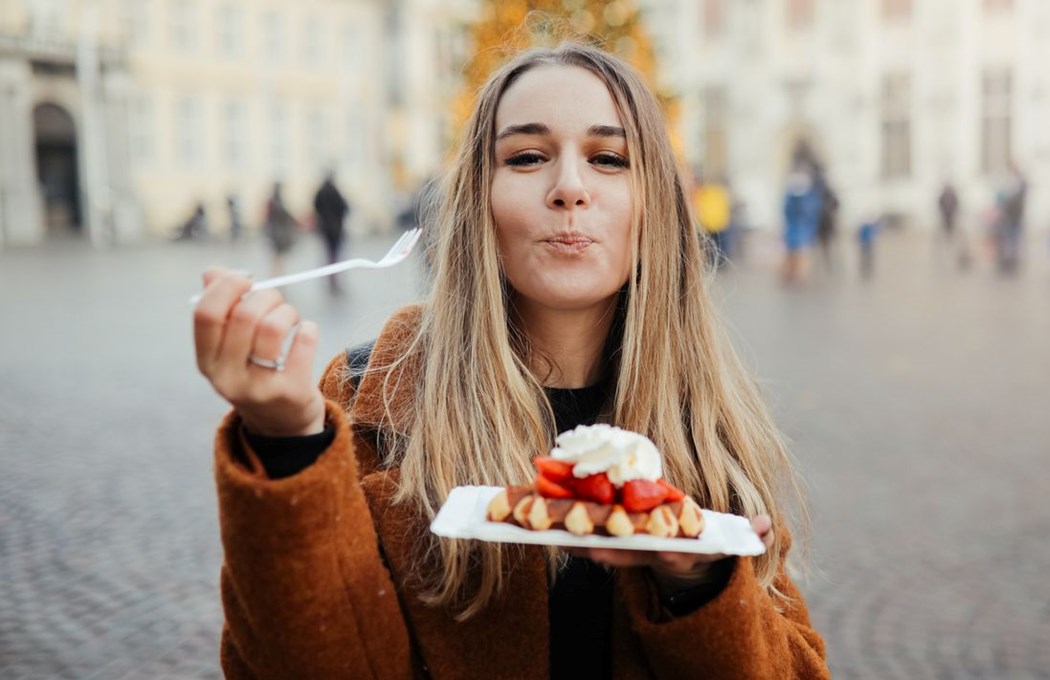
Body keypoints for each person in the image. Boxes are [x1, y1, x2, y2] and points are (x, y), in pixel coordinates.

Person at [193, 43, 827, 679]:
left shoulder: (706, 421)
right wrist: (287, 444)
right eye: (526, 157)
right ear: (480, 201)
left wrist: (698, 585)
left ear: (653, 204)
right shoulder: (371, 396)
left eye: (609, 159)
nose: (570, 189)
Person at [782, 166, 823, 283]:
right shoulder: (808, 196)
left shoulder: (805, 196)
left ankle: (796, 275)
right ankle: (794, 274)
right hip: (799, 230)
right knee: (796, 253)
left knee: (799, 254)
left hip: (800, 230)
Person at [313, 172, 350, 294]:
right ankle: (334, 279)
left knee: (328, 254)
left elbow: (315, 205)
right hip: (336, 228)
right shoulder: (335, 191)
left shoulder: (321, 191)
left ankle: (330, 277)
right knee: (335, 254)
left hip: (325, 228)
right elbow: (345, 207)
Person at [694, 174, 732, 268]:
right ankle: (720, 264)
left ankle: (716, 263)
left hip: (711, 224)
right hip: (716, 224)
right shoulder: (719, 193)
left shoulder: (706, 193)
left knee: (713, 246)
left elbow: (701, 208)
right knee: (719, 246)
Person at [264, 182, 298, 277]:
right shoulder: (275, 202)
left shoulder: (274, 201)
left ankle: (277, 274)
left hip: (275, 232)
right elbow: (285, 214)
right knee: (277, 256)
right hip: (277, 233)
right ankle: (276, 275)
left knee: (277, 256)